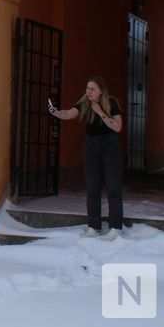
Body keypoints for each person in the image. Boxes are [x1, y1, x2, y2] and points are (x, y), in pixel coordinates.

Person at [49, 77, 124, 239]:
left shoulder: (111, 102)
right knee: (92, 187)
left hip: (110, 146)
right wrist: (56, 112)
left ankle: (115, 227)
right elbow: (69, 113)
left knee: (113, 187)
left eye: (92, 89)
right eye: (87, 88)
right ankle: (93, 226)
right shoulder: (84, 103)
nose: (88, 91)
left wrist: (100, 112)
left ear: (101, 91)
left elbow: (117, 127)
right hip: (91, 146)